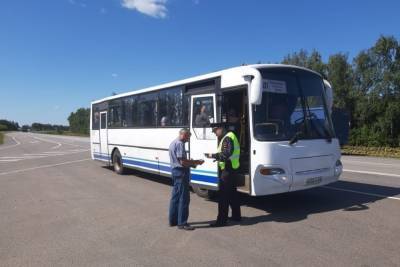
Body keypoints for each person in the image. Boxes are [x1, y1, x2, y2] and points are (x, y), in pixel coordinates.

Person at [205, 123, 241, 227]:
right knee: (233, 194)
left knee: (223, 196)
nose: (215, 134)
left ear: (220, 129)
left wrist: (213, 155)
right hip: (232, 169)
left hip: (227, 170)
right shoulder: (230, 136)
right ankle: (236, 216)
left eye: (215, 131)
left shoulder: (227, 138)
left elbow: (226, 154)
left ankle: (221, 221)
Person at [169, 128, 204, 230]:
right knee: (184, 199)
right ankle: (182, 223)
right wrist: (195, 163)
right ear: (184, 135)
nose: (188, 139)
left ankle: (173, 220)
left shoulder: (173, 142)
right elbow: (183, 162)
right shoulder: (180, 143)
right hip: (181, 173)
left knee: (175, 197)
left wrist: (192, 163)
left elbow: (181, 160)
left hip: (175, 172)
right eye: (188, 137)